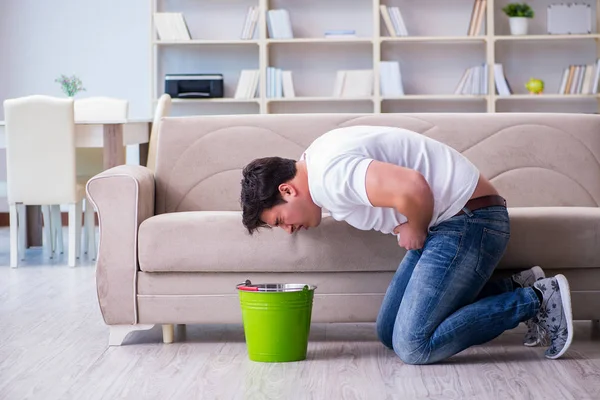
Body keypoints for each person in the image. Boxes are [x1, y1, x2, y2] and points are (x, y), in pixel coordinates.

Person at [239, 125, 573, 364]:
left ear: (287, 190)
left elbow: (412, 187)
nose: (290, 230)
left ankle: (537, 300)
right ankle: (516, 286)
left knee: (414, 346)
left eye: (280, 221)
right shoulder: (314, 161)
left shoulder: (328, 176)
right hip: (451, 222)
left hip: (470, 220)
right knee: (388, 333)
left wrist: (415, 227)